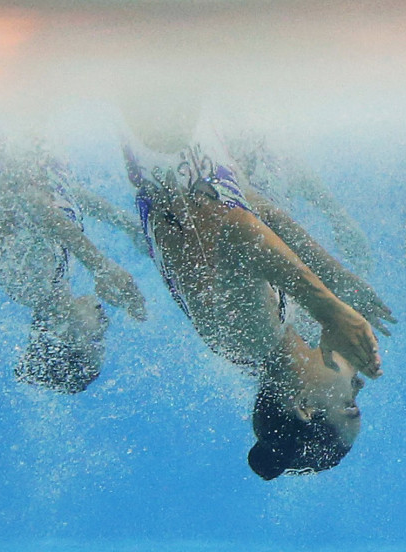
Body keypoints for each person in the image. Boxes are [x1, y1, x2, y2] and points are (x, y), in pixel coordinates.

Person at [124, 113, 392, 480]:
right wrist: (337, 278)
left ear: (305, 406)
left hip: (164, 132)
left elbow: (237, 228)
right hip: (183, 136)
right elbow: (252, 205)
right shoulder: (270, 335)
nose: (359, 384)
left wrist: (329, 308)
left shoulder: (248, 335)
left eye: (349, 405)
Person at [0, 130, 147, 393]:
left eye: (96, 340)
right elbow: (64, 193)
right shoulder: (56, 279)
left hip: (23, 137)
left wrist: (101, 266)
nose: (105, 326)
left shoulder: (30, 285)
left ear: (65, 335)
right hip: (37, 143)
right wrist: (126, 224)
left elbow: (32, 202)